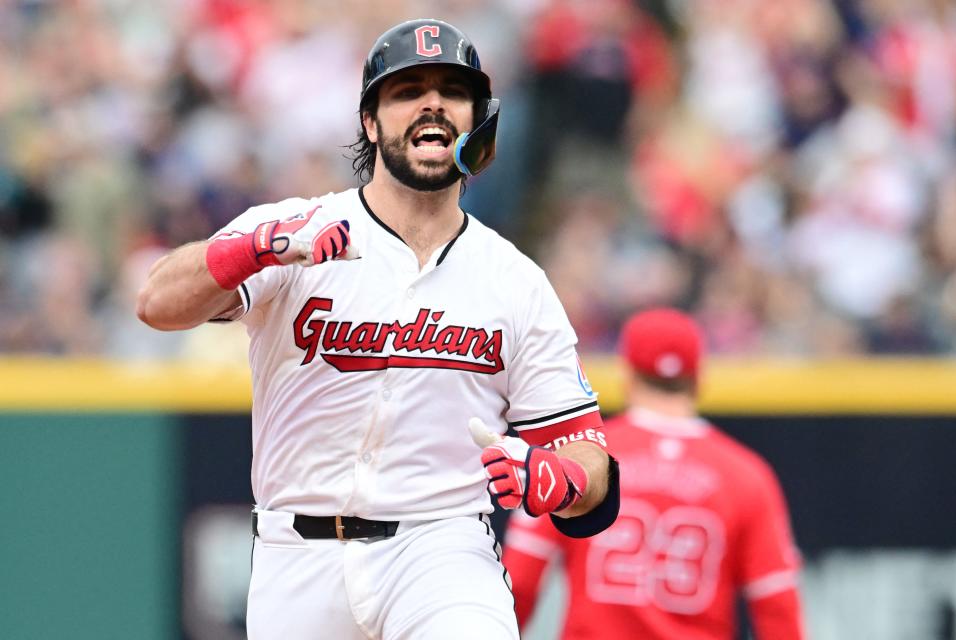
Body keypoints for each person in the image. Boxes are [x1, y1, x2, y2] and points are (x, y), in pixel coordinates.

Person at [136, 18, 619, 640]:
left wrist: (562, 477)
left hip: (441, 549)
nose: (432, 104)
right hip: (296, 552)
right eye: (406, 90)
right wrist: (255, 249)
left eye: (452, 90)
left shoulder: (515, 281)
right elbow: (157, 302)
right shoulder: (298, 230)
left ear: (479, 119)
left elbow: (590, 457)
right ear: (370, 121)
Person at [502, 308, 805, 639]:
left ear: (628, 376)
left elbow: (518, 586)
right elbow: (777, 610)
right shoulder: (747, 475)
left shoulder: (577, 458)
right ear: (698, 381)